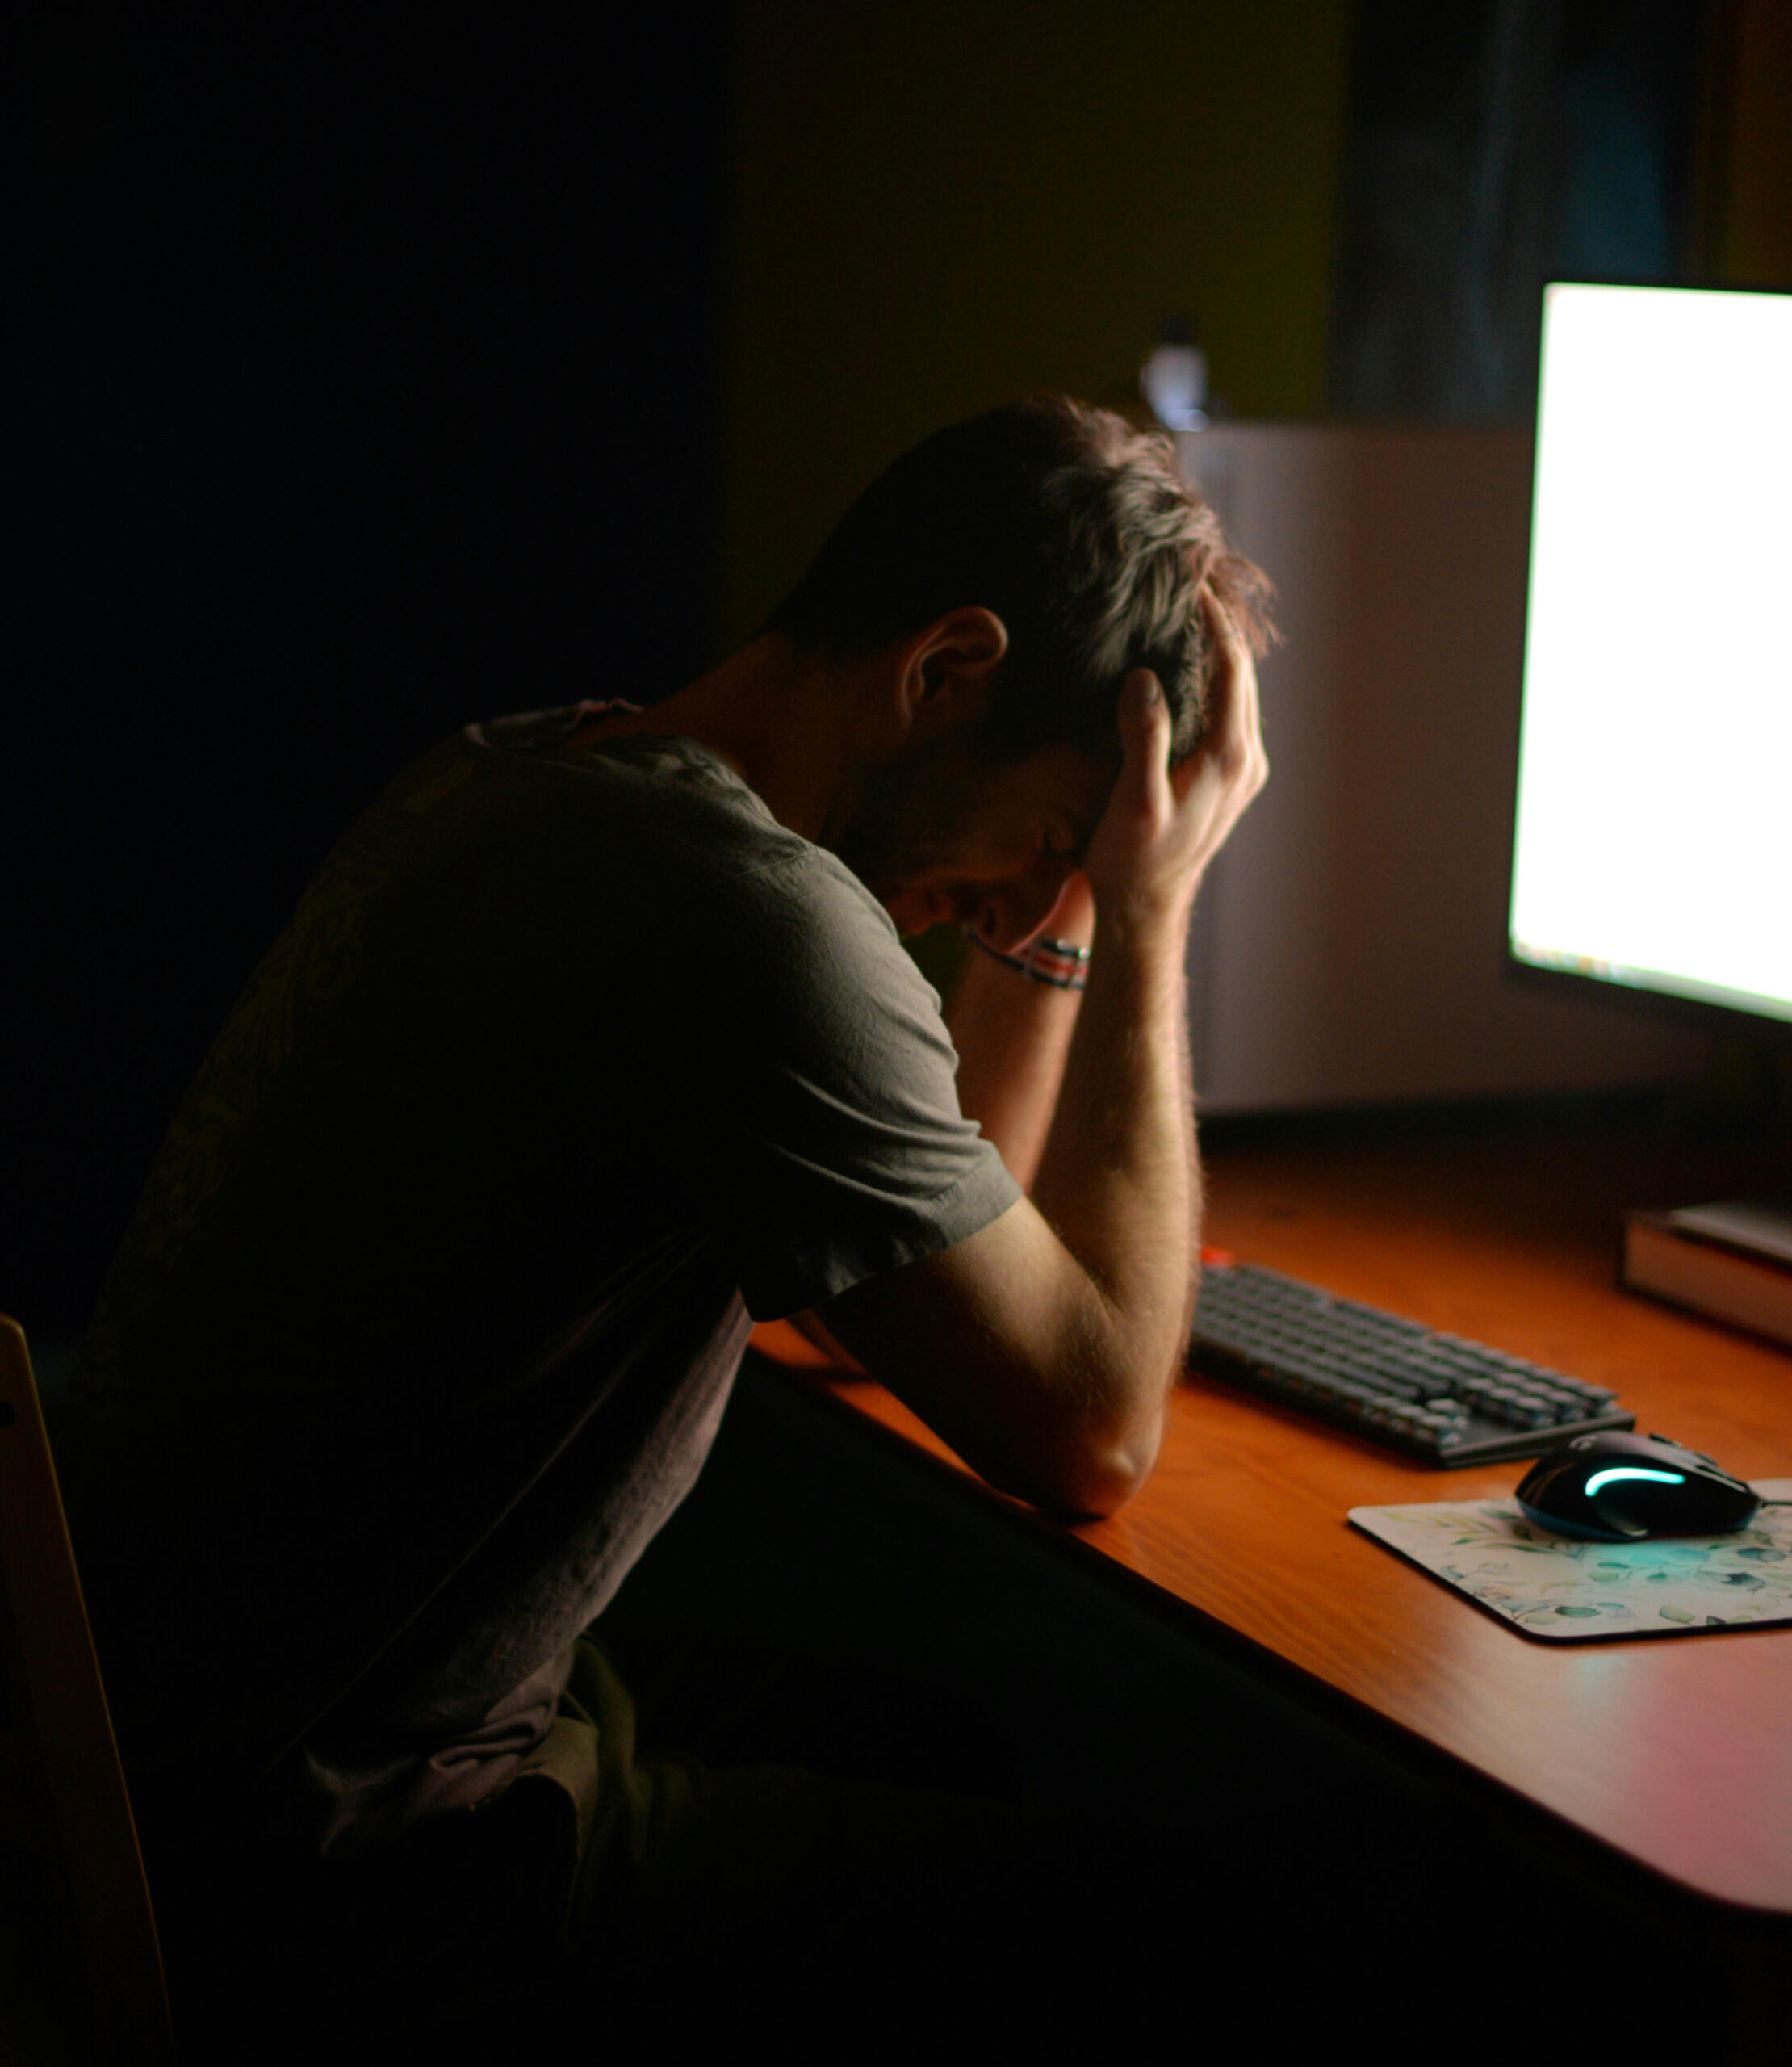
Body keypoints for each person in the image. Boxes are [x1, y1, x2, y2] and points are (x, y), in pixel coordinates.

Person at [57, 395, 1271, 2050]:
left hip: (181, 1737)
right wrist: (1146, 912)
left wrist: (1057, 903)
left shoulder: (533, 773)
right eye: (1052, 840)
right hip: (346, 1859)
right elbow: (1092, 1426)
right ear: (944, 668)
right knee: (1192, 1935)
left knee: (947, 1742)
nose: (1033, 896)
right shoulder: (747, 916)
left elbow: (907, 1273)